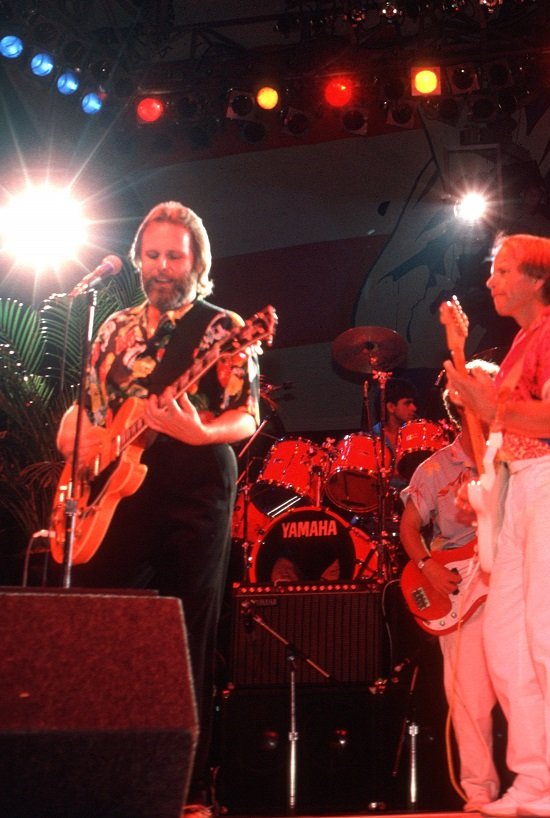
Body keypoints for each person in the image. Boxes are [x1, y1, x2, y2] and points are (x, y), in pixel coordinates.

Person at [54, 201, 260, 811]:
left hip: (194, 482)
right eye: (152, 255)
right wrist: (83, 445)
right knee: (103, 615)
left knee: (185, 629)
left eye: (175, 255)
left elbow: (246, 416)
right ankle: (107, 767)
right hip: (117, 489)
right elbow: (86, 415)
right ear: (138, 260)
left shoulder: (222, 326)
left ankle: (187, 787)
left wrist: (199, 433)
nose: (162, 266)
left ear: (197, 261)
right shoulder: (114, 326)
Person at [443, 234, 550, 817]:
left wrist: (493, 406)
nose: (490, 281)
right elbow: (500, 429)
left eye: (501, 270)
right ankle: (538, 781)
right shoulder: (523, 341)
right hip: (527, 488)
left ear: (541, 279)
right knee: (508, 644)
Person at [400, 361, 501, 812]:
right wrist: (426, 564)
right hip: (459, 588)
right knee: (469, 700)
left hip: (511, 575)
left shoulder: (516, 455)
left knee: (527, 687)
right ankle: (478, 793)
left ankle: (538, 782)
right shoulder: (434, 469)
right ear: (459, 405)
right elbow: (408, 527)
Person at [374, 376, 419, 459]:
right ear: (391, 407)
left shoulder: (415, 434)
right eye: (407, 403)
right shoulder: (373, 437)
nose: (414, 408)